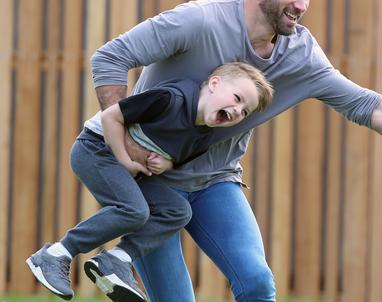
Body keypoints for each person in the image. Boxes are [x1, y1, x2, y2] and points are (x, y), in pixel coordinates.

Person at [83, 0, 382, 302]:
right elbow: (110, 58)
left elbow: (370, 106)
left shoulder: (300, 57)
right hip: (154, 182)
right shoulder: (200, 21)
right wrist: (128, 146)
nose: (302, 5)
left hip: (216, 181)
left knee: (258, 284)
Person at [26, 62, 273, 302]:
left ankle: (117, 259)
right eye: (238, 98)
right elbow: (111, 117)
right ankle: (56, 254)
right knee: (134, 211)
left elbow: (177, 159)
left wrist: (167, 164)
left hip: (133, 169)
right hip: (96, 150)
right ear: (214, 83)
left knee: (177, 211)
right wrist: (123, 159)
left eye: (245, 112)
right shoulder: (169, 98)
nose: (238, 111)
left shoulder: (202, 136)